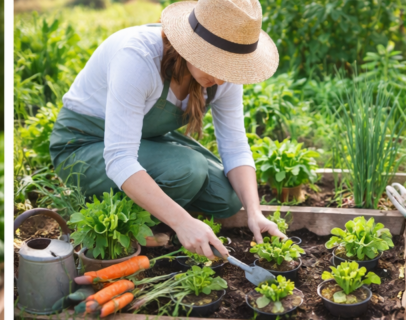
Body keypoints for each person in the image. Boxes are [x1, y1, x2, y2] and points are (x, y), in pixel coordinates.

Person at [49, 0, 286, 259]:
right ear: (194, 48)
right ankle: (129, 226)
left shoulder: (224, 76)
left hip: (144, 140)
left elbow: (235, 146)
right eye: (218, 65)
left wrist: (255, 212)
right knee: (188, 169)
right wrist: (182, 222)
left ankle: (164, 205)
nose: (221, 79)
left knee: (227, 199)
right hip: (83, 146)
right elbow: (119, 158)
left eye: (229, 68)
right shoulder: (138, 58)